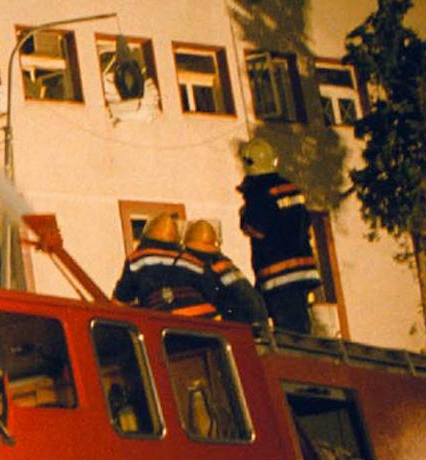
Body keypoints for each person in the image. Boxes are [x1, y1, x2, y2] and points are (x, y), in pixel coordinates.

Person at [238, 139, 323, 334]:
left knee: (285, 331)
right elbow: (306, 225)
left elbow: (256, 228)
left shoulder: (259, 192)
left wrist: (244, 216)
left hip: (277, 274)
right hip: (302, 269)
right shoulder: (290, 188)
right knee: (300, 326)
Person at [112, 213, 220, 319]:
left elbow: (121, 302)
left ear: (146, 234)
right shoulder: (192, 260)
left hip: (166, 321)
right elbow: (210, 292)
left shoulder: (137, 258)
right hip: (204, 321)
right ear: (177, 238)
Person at [182, 219, 269, 326]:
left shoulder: (203, 265)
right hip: (241, 327)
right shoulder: (225, 264)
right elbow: (252, 300)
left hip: (231, 328)